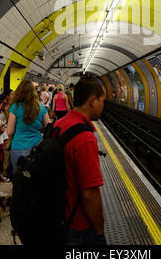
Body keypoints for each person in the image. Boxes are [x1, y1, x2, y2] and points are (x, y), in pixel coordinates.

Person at [53, 76, 107, 245]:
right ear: (92, 101)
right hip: (79, 226)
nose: (103, 106)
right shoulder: (85, 138)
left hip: (60, 214)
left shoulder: (59, 124)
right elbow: (89, 194)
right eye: (102, 101)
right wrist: (99, 231)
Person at [7, 80, 50, 174]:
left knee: (20, 179)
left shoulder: (15, 107)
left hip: (18, 147)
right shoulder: (40, 107)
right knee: (35, 177)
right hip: (37, 147)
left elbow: (9, 131)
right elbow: (48, 126)